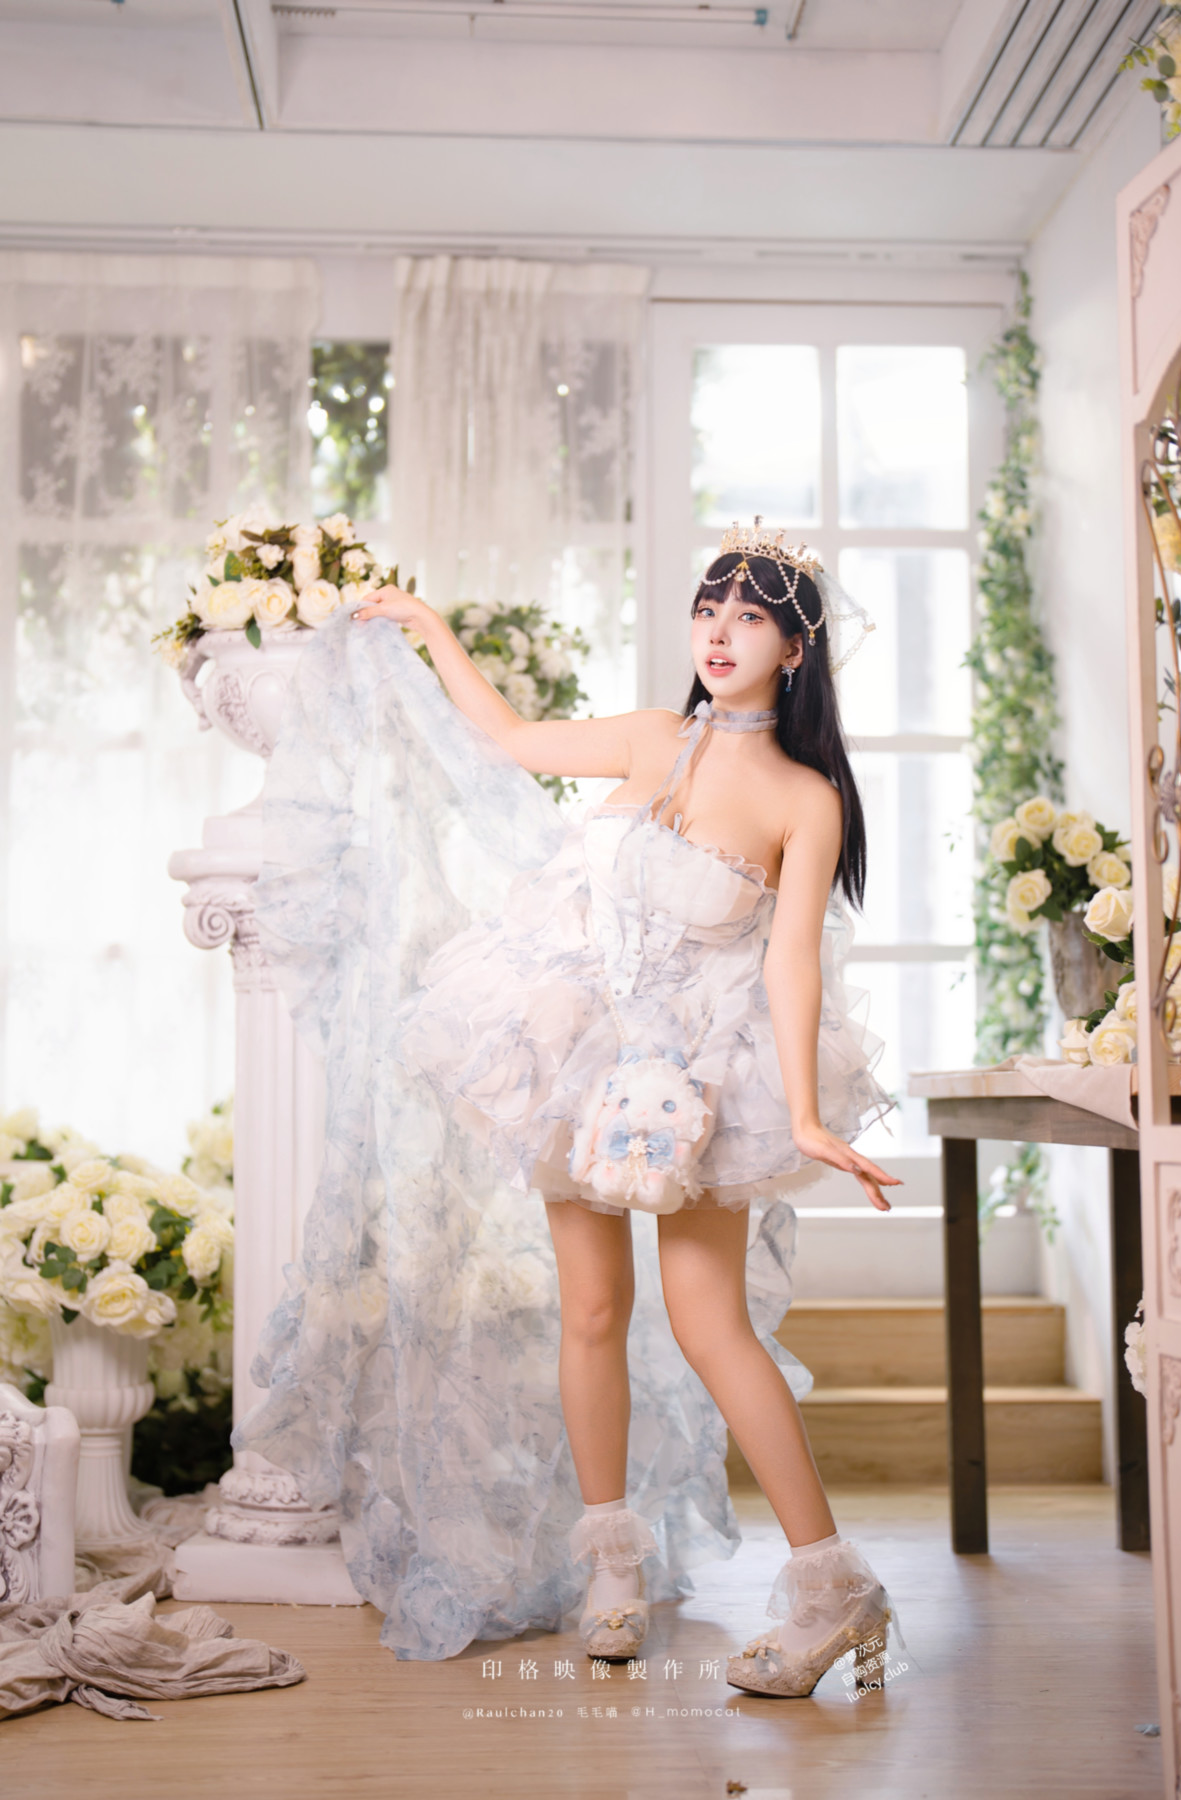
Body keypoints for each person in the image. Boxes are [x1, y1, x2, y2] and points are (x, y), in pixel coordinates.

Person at [233, 519, 906, 1697]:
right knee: (590, 1310)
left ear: (795, 649)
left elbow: (791, 960)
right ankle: (611, 1569)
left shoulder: (806, 799)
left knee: (712, 1328)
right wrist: (431, 627)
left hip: (701, 1076)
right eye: (708, 609)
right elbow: (503, 740)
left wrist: (803, 1115)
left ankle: (832, 1587)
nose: (720, 633)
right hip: (575, 1055)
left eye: (751, 616)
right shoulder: (650, 738)